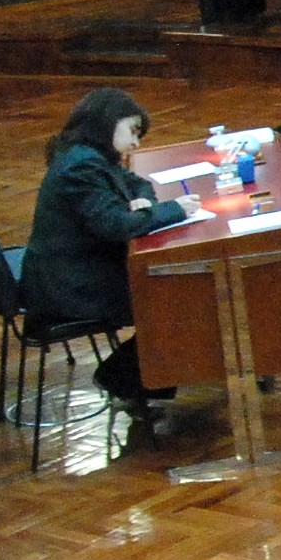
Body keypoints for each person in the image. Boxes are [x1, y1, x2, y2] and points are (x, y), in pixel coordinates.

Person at [18, 88, 199, 415]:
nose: (136, 143)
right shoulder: (81, 167)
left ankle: (139, 380)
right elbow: (115, 225)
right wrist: (174, 209)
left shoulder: (88, 156)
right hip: (70, 287)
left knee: (179, 291)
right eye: (133, 131)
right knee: (176, 297)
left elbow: (137, 184)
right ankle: (122, 379)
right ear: (107, 123)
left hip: (79, 269)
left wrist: (144, 203)